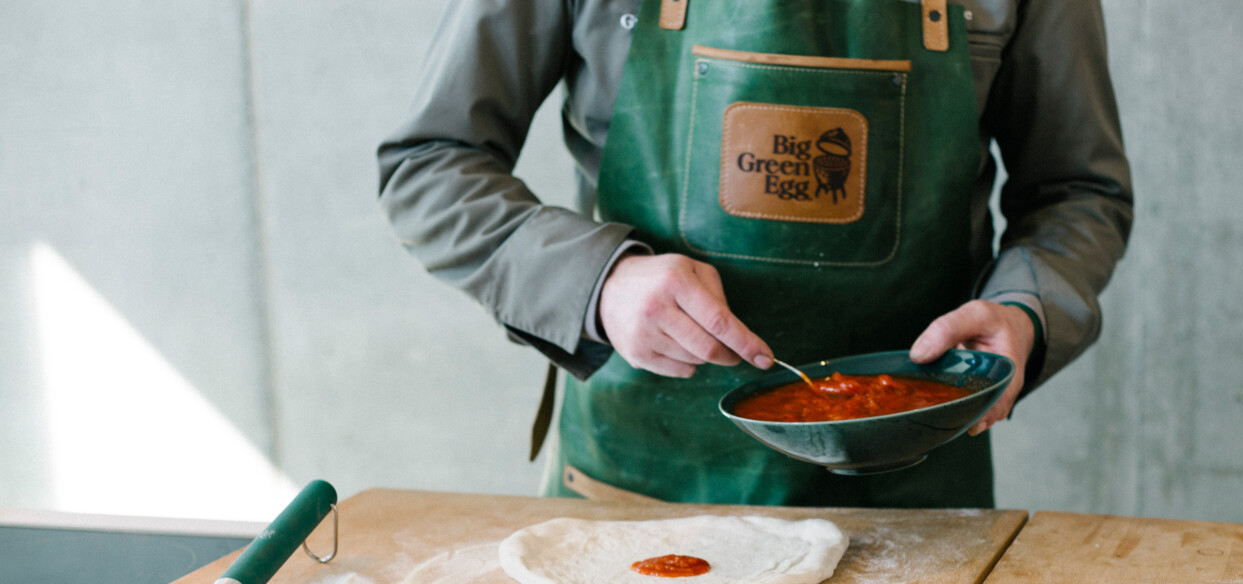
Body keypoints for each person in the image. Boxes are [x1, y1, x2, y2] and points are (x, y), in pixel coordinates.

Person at [378, 0, 1132, 507]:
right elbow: (430, 162)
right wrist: (599, 285)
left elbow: (1076, 189)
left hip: (914, 507)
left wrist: (1025, 312)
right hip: (639, 499)